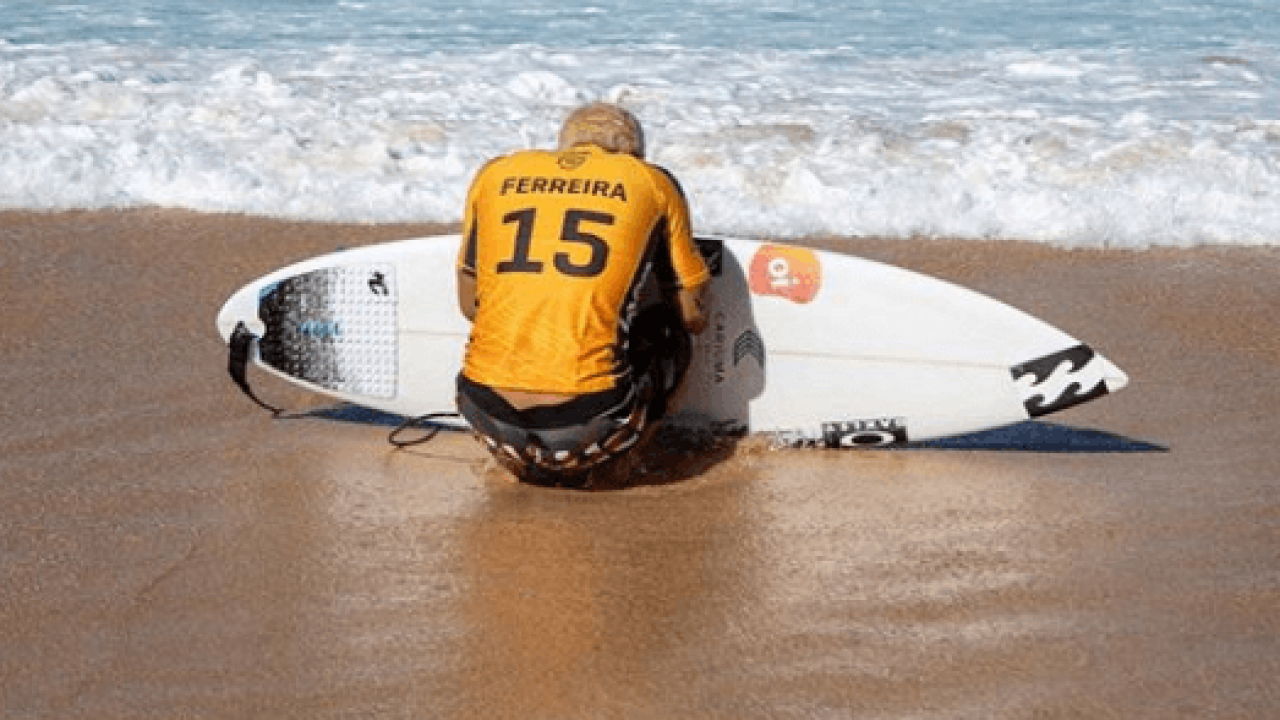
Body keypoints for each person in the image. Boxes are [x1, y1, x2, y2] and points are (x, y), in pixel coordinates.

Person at [455, 102, 711, 486]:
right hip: (589, 423)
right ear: (636, 155)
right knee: (669, 337)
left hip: (484, 413)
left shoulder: (495, 174)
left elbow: (469, 306)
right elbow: (694, 316)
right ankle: (617, 466)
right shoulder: (651, 181)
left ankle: (527, 462)